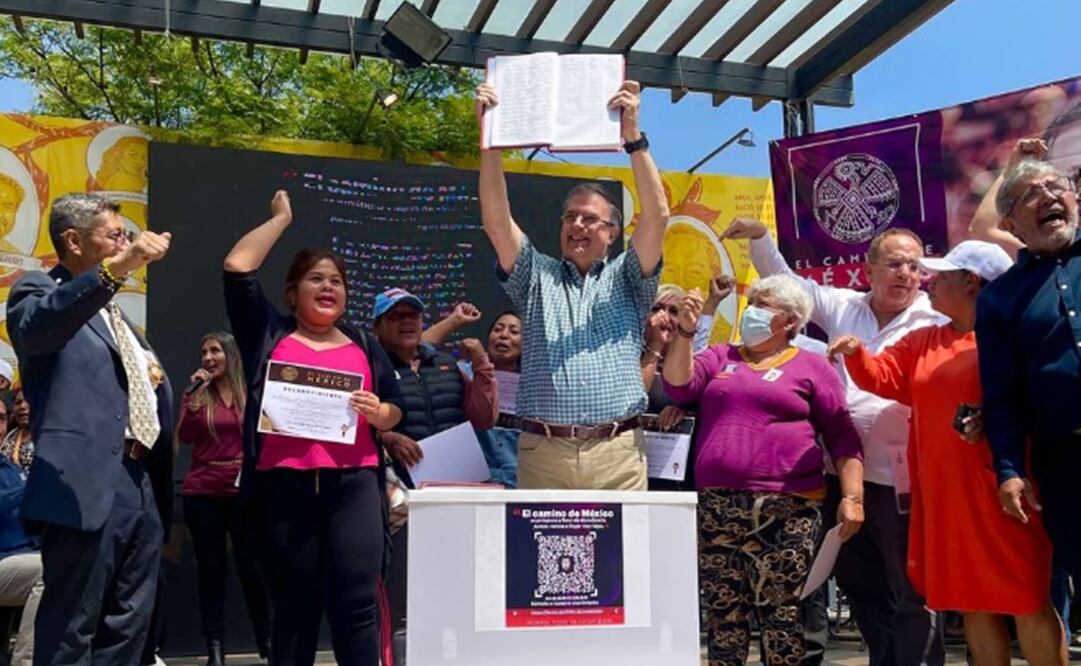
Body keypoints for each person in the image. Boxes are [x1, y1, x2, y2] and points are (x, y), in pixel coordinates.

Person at [722, 217, 946, 666]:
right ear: (869, 269)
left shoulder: (935, 317)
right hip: (841, 477)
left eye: (915, 266)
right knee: (862, 587)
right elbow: (785, 282)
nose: (906, 273)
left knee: (912, 592)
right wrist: (761, 237)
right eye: (896, 264)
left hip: (904, 482)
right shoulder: (843, 305)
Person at [831, 240, 1066, 666]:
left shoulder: (1014, 333)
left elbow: (1044, 395)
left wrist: (993, 416)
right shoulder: (925, 339)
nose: (929, 282)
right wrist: (857, 354)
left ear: (972, 283)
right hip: (947, 496)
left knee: (1026, 597)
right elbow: (883, 377)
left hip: (1006, 489)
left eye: (942, 276)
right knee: (971, 598)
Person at [223, 190, 404, 666]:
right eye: (315, 279)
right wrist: (280, 219)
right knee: (295, 612)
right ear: (292, 292)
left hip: (354, 488)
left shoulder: (365, 343)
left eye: (337, 282)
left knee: (357, 609)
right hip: (284, 492)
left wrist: (379, 414)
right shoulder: (269, 333)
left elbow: (395, 408)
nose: (328, 288)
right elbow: (238, 267)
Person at [474, 79, 669, 490]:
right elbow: (496, 222)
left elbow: (657, 216)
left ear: (612, 233)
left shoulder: (629, 277)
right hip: (544, 452)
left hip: (618, 451)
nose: (577, 225)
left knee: (623, 556)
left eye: (589, 219)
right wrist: (489, 145)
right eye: (569, 217)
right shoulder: (535, 275)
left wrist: (633, 138)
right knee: (544, 556)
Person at [662, 274, 865, 665]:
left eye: (763, 304)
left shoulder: (812, 366)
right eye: (751, 301)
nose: (751, 310)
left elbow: (842, 437)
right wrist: (686, 334)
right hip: (719, 507)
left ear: (789, 320)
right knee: (725, 614)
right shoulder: (722, 356)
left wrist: (853, 497)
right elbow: (679, 386)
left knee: (781, 611)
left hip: (789, 509)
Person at [6, 192, 174, 665]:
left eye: (128, 236)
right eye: (116, 236)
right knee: (71, 626)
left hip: (139, 484)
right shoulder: (37, 292)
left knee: (129, 624)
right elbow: (40, 327)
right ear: (75, 240)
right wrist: (115, 269)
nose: (128, 244)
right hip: (83, 484)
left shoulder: (121, 320)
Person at [976, 159, 1081, 600]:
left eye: (1055, 186)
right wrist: (1009, 469)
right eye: (1031, 194)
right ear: (1010, 224)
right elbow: (1002, 394)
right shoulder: (999, 298)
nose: (1049, 196)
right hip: (1067, 465)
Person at [177, 332, 271, 666]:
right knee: (211, 572)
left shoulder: (250, 393)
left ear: (230, 354)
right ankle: (215, 648)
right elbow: (185, 436)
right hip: (203, 492)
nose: (208, 357)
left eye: (215, 350)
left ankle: (267, 641)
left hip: (244, 492)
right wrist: (191, 398)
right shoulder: (198, 395)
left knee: (253, 568)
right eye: (204, 351)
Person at [373, 289, 498, 481]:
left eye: (413, 315)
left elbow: (484, 419)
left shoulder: (445, 363)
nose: (407, 321)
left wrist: (481, 363)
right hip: (403, 484)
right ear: (378, 327)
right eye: (396, 316)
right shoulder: (371, 368)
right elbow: (351, 425)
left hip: (462, 478)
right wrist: (386, 438)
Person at [421, 304, 521, 487]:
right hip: (472, 479)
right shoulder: (465, 373)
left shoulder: (534, 384)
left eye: (514, 332)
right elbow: (420, 348)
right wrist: (455, 320)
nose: (504, 335)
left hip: (520, 481)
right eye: (498, 329)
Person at [0, 449, 42, 666]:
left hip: (21, 557)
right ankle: (25, 662)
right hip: (4, 559)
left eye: (1, 419)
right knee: (48, 571)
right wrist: (30, 487)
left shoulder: (11, 467)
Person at [0, 390, 32, 478]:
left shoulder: (53, 439)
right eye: (18, 402)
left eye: (29, 401)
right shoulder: (7, 435)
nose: (22, 406)